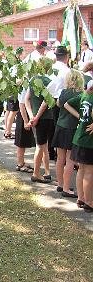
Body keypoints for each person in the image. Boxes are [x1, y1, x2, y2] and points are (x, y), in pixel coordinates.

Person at [51, 69, 84, 197]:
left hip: (60, 127)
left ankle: (60, 184)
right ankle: (66, 188)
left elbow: (59, 104)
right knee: (70, 160)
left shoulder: (63, 92)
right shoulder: (80, 94)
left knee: (60, 158)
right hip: (72, 128)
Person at [64, 80, 93, 212]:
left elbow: (66, 104)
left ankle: (81, 198)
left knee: (81, 169)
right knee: (89, 171)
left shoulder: (83, 96)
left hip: (78, 137)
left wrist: (79, 116)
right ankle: (89, 201)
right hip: (88, 140)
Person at [25, 69, 54, 183]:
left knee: (43, 145)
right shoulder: (48, 81)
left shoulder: (32, 80)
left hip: (35, 117)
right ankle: (36, 173)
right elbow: (46, 101)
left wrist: (31, 116)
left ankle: (47, 172)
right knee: (41, 146)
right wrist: (36, 117)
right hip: (45, 118)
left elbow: (27, 99)